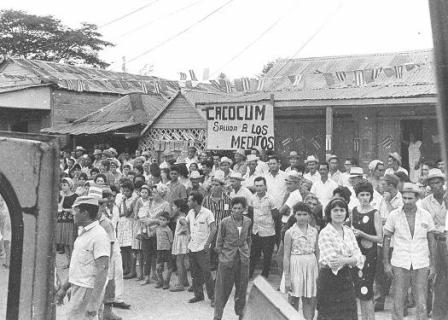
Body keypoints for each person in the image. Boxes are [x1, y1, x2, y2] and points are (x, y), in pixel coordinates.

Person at [383, 183, 436, 320]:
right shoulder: (394, 215)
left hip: (421, 262)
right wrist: (386, 264)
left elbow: (432, 241)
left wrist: (433, 265)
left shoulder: (426, 216)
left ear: (417, 198)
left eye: (410, 198)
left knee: (421, 300)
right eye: (404, 198)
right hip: (400, 262)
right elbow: (386, 239)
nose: (407, 201)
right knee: (398, 300)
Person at [57, 196, 110, 320]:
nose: (72, 214)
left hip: (87, 291)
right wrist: (64, 288)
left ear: (85, 213)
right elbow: (78, 266)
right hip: (78, 288)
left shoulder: (99, 235)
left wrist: (94, 302)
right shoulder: (84, 233)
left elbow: (103, 269)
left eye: (75, 211)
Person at [317, 197, 364, 320]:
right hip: (328, 279)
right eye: (335, 210)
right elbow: (333, 262)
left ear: (346, 213)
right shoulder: (325, 233)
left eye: (342, 210)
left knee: (348, 315)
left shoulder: (349, 232)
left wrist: (344, 260)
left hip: (346, 278)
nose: (339, 213)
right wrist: (350, 259)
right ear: (329, 213)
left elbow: (359, 257)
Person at [213, 197, 252, 320]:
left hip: (243, 259)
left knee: (242, 288)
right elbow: (219, 241)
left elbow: (249, 238)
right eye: (234, 208)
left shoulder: (248, 221)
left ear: (244, 209)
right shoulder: (224, 222)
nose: (236, 210)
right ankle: (217, 316)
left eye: (239, 208)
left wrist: (247, 252)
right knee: (222, 290)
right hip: (227, 259)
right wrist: (221, 256)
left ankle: (241, 313)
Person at [350, 180, 383, 320]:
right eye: (362, 194)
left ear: (371, 196)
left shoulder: (374, 213)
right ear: (357, 195)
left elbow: (379, 238)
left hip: (369, 255)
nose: (364, 197)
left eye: (367, 194)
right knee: (358, 288)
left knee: (366, 288)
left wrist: (363, 235)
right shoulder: (354, 211)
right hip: (356, 254)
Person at [420, 169, 448, 320]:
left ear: (443, 183)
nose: (435, 186)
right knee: (436, 278)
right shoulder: (424, 203)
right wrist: (440, 229)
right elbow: (426, 225)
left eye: (437, 182)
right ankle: (436, 313)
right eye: (431, 183)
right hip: (434, 242)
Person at [283, 202, 319, 320]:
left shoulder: (314, 231)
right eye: (299, 214)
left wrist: (319, 272)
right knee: (293, 299)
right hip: (295, 265)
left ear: (309, 215)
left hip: (311, 266)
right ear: (294, 215)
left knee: (309, 299)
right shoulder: (290, 232)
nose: (302, 217)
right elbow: (286, 256)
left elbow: (317, 252)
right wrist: (287, 277)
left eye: (305, 214)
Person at [374, 173, 404, 311]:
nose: (381, 186)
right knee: (380, 273)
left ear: (391, 185)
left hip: (397, 243)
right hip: (383, 241)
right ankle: (379, 301)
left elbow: (398, 218)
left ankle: (401, 305)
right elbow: (379, 217)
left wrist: (387, 203)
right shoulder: (382, 198)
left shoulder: (401, 199)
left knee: (397, 274)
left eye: (384, 184)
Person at [186, 192, 216, 305]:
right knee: (194, 273)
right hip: (192, 247)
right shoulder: (190, 212)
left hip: (202, 248)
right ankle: (198, 295)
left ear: (195, 201)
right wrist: (188, 234)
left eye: (190, 200)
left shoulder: (207, 213)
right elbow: (186, 221)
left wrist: (207, 244)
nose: (188, 202)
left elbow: (213, 229)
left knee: (206, 273)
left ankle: (213, 297)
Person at [249, 176, 279, 279]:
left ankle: (265, 275)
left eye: (261, 186)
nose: (259, 188)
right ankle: (249, 274)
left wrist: (275, 234)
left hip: (268, 232)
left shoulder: (271, 199)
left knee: (267, 255)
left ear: (265, 186)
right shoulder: (252, 198)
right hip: (256, 231)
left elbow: (276, 216)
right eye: (257, 186)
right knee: (253, 254)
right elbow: (250, 214)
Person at [202, 171, 232, 270]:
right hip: (209, 230)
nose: (214, 187)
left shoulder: (228, 200)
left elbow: (230, 215)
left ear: (222, 187)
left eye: (217, 185)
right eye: (213, 185)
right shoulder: (206, 200)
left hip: (222, 230)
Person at [116, 180, 137, 279]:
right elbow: (119, 212)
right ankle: (126, 268)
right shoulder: (121, 198)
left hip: (129, 224)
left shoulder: (134, 199)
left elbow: (127, 213)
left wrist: (124, 201)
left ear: (131, 191)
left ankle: (133, 271)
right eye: (124, 191)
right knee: (123, 248)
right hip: (122, 224)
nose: (125, 193)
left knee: (130, 248)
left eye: (127, 191)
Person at [55, 177, 78, 268]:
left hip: (70, 220)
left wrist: (65, 209)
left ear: (70, 186)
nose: (63, 186)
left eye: (65, 185)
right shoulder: (60, 196)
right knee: (64, 242)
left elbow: (74, 209)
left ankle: (73, 262)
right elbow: (58, 207)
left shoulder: (75, 196)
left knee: (70, 242)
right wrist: (63, 197)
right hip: (61, 220)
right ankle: (69, 261)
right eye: (62, 185)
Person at [170, 199, 190, 292]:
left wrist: (184, 231)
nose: (172, 208)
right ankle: (185, 281)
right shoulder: (182, 217)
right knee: (181, 261)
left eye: (174, 206)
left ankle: (180, 284)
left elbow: (186, 225)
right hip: (181, 240)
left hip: (181, 241)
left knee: (179, 262)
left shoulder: (181, 218)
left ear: (179, 208)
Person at [155, 212, 174, 289]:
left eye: (164, 220)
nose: (161, 221)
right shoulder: (157, 228)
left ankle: (167, 282)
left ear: (168, 221)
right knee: (158, 267)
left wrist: (172, 251)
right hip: (159, 250)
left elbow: (171, 241)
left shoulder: (168, 230)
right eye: (160, 219)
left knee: (169, 267)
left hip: (167, 250)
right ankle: (161, 281)